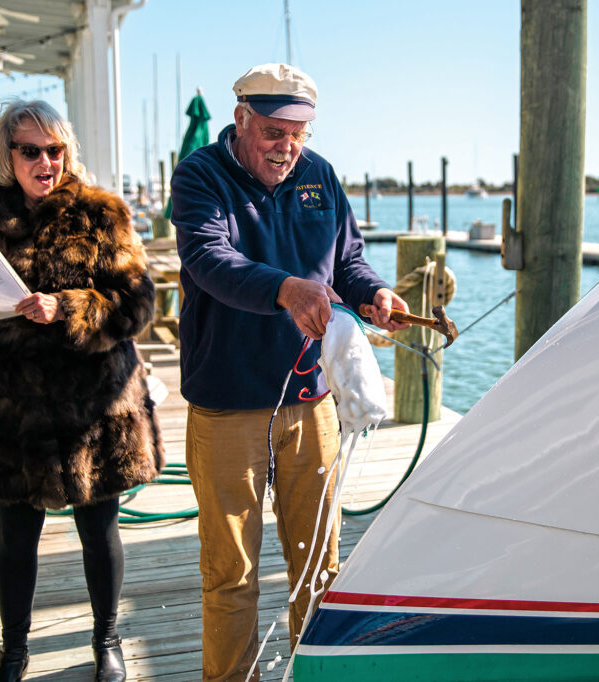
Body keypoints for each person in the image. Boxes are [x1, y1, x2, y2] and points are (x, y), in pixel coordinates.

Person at [170, 63, 409, 681]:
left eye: (298, 133)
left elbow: (348, 263)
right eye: (274, 132)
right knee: (231, 573)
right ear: (241, 118)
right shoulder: (200, 175)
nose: (288, 147)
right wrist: (284, 289)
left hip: (311, 401)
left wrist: (375, 294)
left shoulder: (321, 176)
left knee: (320, 567)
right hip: (226, 405)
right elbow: (208, 260)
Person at [0, 100, 163, 682]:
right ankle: (13, 653)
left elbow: (139, 305)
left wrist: (66, 307)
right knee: (15, 538)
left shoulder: (101, 214)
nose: (45, 161)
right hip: (13, 414)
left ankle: (106, 642)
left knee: (99, 528)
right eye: (30, 150)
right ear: (7, 156)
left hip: (93, 408)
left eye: (55, 149)